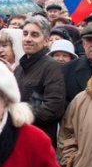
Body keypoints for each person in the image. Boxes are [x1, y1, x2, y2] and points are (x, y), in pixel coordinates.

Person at [14, 16, 65, 147]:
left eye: (34, 35)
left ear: (47, 40)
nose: (28, 39)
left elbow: (53, 108)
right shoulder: (19, 68)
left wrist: (20, 117)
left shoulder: (51, 67)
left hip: (39, 142)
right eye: (25, 34)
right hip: (18, 139)